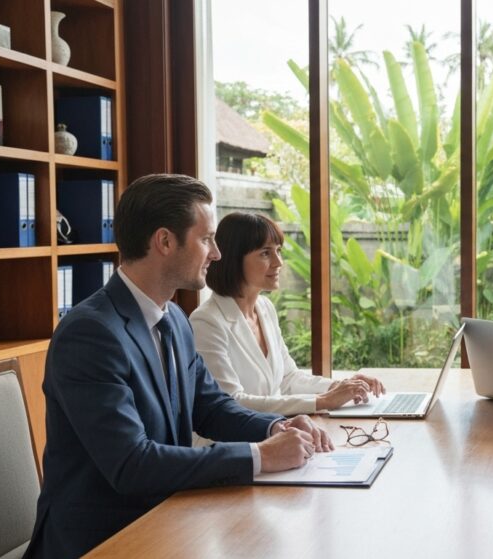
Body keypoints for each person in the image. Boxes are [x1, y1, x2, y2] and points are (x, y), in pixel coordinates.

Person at [24, 175, 333, 558]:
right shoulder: (90, 334)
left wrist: (277, 427)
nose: (217, 254)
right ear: (165, 242)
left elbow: (211, 407)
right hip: (103, 540)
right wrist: (261, 455)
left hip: (170, 521)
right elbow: (132, 464)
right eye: (207, 239)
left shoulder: (173, 318)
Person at [190, 212, 384, 416]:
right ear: (233, 258)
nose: (278, 262)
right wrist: (323, 401)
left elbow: (288, 378)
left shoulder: (264, 308)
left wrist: (342, 386)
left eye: (278, 251)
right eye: (265, 253)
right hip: (233, 443)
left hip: (276, 432)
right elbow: (231, 402)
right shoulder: (206, 322)